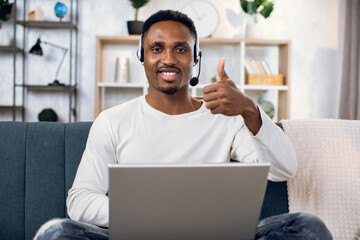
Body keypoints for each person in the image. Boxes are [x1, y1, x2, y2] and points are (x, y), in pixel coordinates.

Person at [34, 10, 332, 240]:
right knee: (56, 232)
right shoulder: (112, 121)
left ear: (196, 59)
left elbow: (284, 169)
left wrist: (249, 110)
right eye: (156, 48)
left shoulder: (226, 118)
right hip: (135, 234)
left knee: (307, 226)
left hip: (213, 235)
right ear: (142, 57)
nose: (168, 59)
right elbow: (80, 200)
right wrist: (149, 214)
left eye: (180, 49)